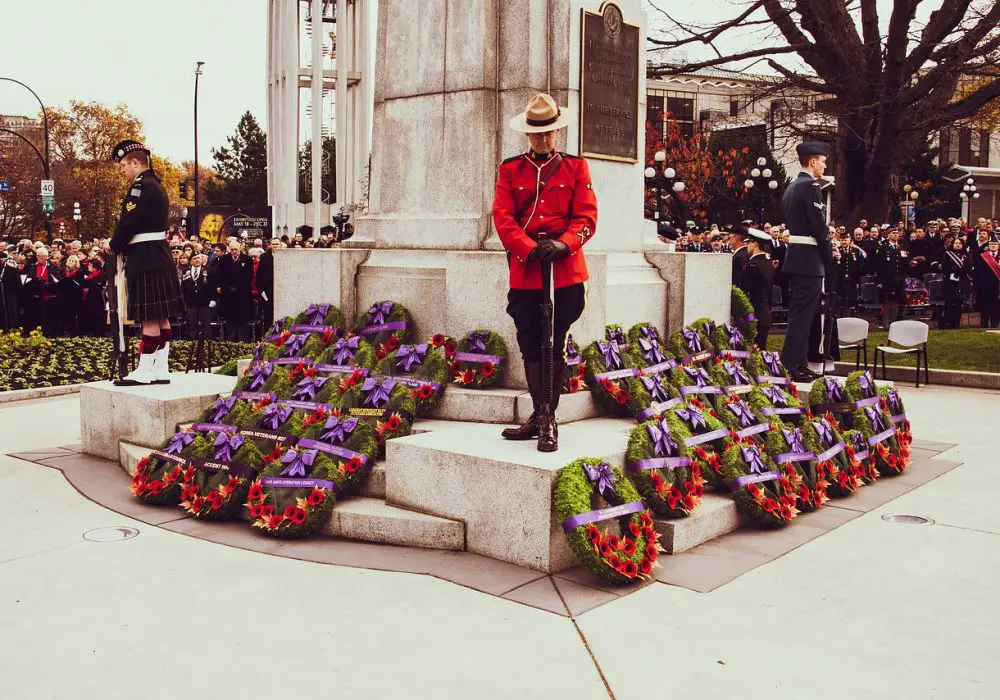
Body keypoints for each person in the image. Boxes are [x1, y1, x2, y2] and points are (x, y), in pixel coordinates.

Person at [493, 93, 597, 452]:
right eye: (537, 134)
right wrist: (528, 248)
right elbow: (503, 218)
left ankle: (548, 417)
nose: (543, 139)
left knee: (556, 342)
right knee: (531, 343)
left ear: (557, 132)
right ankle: (540, 416)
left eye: (549, 133)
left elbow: (586, 217)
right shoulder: (510, 169)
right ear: (528, 135)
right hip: (527, 270)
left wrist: (565, 244)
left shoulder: (575, 167)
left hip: (565, 271)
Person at [104, 139, 185, 385]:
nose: (123, 171)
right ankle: (161, 367)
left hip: (146, 256)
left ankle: (145, 369)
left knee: (150, 315)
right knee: (161, 316)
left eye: (123, 166)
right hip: (156, 254)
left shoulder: (142, 187)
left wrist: (113, 244)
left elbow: (130, 221)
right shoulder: (154, 185)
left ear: (135, 162)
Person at [780, 141, 833, 382]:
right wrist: (829, 256)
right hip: (809, 260)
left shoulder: (792, 187)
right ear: (812, 161)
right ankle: (792, 364)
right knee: (803, 315)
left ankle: (798, 362)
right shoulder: (810, 186)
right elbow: (818, 227)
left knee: (801, 313)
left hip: (797, 258)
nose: (824, 165)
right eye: (822, 160)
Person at [738, 228, 774, 349]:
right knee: (760, 353)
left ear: (755, 244)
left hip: (753, 316)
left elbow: (747, 290)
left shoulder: (753, 265)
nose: (746, 245)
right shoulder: (768, 263)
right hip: (764, 314)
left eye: (749, 242)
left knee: (751, 354)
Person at [215, 239, 254, 341]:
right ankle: (230, 340)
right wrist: (226, 287)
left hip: (242, 294)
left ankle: (243, 340)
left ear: (240, 248)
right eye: (231, 250)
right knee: (230, 319)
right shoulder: (224, 260)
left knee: (242, 319)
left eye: (235, 249)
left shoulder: (247, 260)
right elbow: (220, 275)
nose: (234, 252)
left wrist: (238, 288)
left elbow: (249, 277)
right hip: (228, 294)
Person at [872, 229, 906, 328]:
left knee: (896, 301)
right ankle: (886, 323)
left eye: (897, 233)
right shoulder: (883, 248)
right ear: (888, 235)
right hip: (887, 279)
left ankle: (894, 323)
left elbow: (903, 263)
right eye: (893, 233)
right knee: (887, 301)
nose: (896, 235)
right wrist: (878, 280)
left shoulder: (901, 247)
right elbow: (878, 265)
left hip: (899, 279)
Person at [182, 253, 213, 340]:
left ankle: (207, 345)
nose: (197, 260)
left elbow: (212, 285)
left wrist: (212, 299)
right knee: (192, 325)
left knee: (206, 325)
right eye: (194, 258)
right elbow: (183, 287)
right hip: (191, 302)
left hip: (204, 302)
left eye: (199, 258)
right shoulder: (186, 271)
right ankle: (192, 343)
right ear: (191, 261)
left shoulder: (207, 269)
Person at [971, 236, 1000, 328]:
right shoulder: (982, 256)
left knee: (996, 305)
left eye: (995, 244)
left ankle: (995, 323)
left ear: (998, 246)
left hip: (998, 286)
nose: (993, 246)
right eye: (991, 244)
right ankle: (984, 323)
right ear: (988, 246)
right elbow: (977, 271)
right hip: (985, 285)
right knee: (985, 304)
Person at [940, 237, 968, 329]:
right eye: (956, 243)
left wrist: (959, 271)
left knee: (959, 304)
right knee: (949, 303)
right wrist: (956, 270)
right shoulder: (947, 254)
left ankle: (956, 323)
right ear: (952, 244)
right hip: (949, 282)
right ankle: (949, 323)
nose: (958, 244)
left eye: (960, 243)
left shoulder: (967, 255)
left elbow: (969, 266)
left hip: (961, 282)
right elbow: (944, 267)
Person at [0, 250, 21, 331]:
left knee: (11, 312)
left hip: (10, 294)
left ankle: (12, 328)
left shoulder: (12, 269)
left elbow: (17, 283)